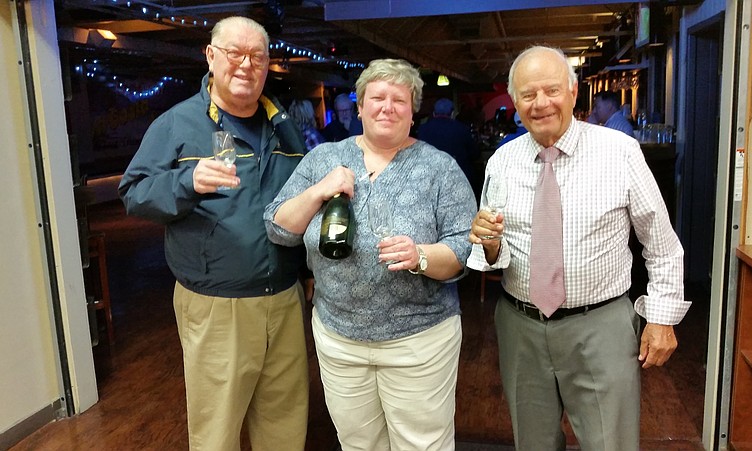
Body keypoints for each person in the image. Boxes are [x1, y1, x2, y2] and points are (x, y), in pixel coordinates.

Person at [467, 45, 688, 450]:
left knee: (610, 442)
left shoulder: (619, 151)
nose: (541, 103)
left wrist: (661, 317)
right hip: (520, 326)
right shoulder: (501, 161)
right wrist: (489, 242)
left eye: (551, 90)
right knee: (532, 443)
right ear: (515, 103)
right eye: (528, 95)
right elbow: (491, 250)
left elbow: (659, 241)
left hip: (601, 325)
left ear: (573, 92)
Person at [118, 16, 309, 451]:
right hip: (217, 305)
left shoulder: (283, 124)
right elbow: (133, 193)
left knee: (285, 423)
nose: (246, 65)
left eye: (256, 57)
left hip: (283, 298)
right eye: (234, 54)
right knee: (216, 431)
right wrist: (186, 183)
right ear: (210, 56)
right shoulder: (178, 124)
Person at [265, 58, 476, 451]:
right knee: (358, 444)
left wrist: (422, 256)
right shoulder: (323, 159)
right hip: (339, 338)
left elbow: (465, 248)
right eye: (376, 97)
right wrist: (317, 192)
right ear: (359, 107)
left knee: (422, 445)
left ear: (414, 112)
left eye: (400, 99)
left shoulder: (439, 168)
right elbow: (278, 227)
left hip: (418, 340)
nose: (387, 106)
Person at [416, 97, 480, 189]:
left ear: (434, 113)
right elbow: (474, 154)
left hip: (430, 179)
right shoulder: (462, 129)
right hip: (459, 179)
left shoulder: (422, 129)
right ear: (453, 113)